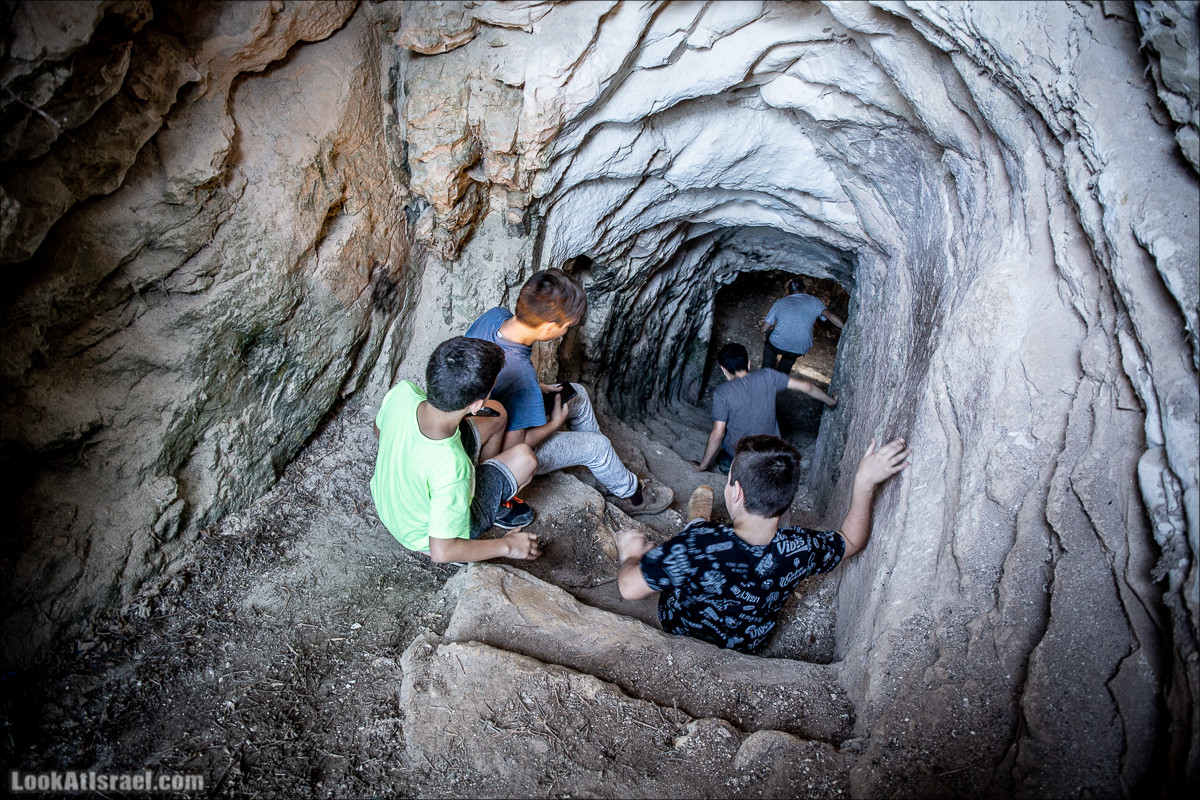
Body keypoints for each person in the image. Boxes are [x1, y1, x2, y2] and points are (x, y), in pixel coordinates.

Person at [616, 434, 910, 653]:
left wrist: (630, 554)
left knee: (698, 529)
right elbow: (851, 541)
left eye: (729, 481)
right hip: (747, 642)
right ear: (785, 501)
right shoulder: (800, 548)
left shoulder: (697, 546)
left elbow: (629, 588)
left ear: (737, 493)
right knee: (704, 533)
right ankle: (699, 516)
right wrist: (864, 484)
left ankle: (697, 517)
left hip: (681, 625)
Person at [465, 269, 673, 516]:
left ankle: (600, 470)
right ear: (548, 328)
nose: (565, 332)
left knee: (578, 394)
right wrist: (555, 423)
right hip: (498, 452)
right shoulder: (521, 375)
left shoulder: (495, 316)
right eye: (566, 327)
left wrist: (535, 389)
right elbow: (514, 449)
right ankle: (632, 497)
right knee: (598, 446)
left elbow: (493, 374)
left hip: (484, 416)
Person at [370, 336, 541, 563]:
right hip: (427, 537)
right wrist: (508, 545)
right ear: (475, 405)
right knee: (525, 458)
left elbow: (379, 430)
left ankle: (475, 486)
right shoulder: (452, 466)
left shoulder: (403, 393)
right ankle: (477, 516)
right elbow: (442, 552)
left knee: (496, 413)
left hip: (393, 507)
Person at [693, 343, 836, 474]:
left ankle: (732, 469)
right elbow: (807, 386)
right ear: (748, 364)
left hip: (741, 455)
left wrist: (702, 466)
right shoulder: (768, 376)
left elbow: (718, 434)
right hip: (770, 452)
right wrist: (831, 401)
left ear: (723, 369)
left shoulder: (722, 393)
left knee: (725, 456)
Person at [760, 277, 844, 375]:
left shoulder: (781, 302)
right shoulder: (814, 301)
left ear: (789, 292)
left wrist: (768, 329)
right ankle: (780, 378)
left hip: (778, 345)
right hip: (798, 349)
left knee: (770, 337)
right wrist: (845, 328)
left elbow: (763, 329)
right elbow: (830, 315)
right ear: (804, 290)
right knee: (791, 355)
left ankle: (766, 374)